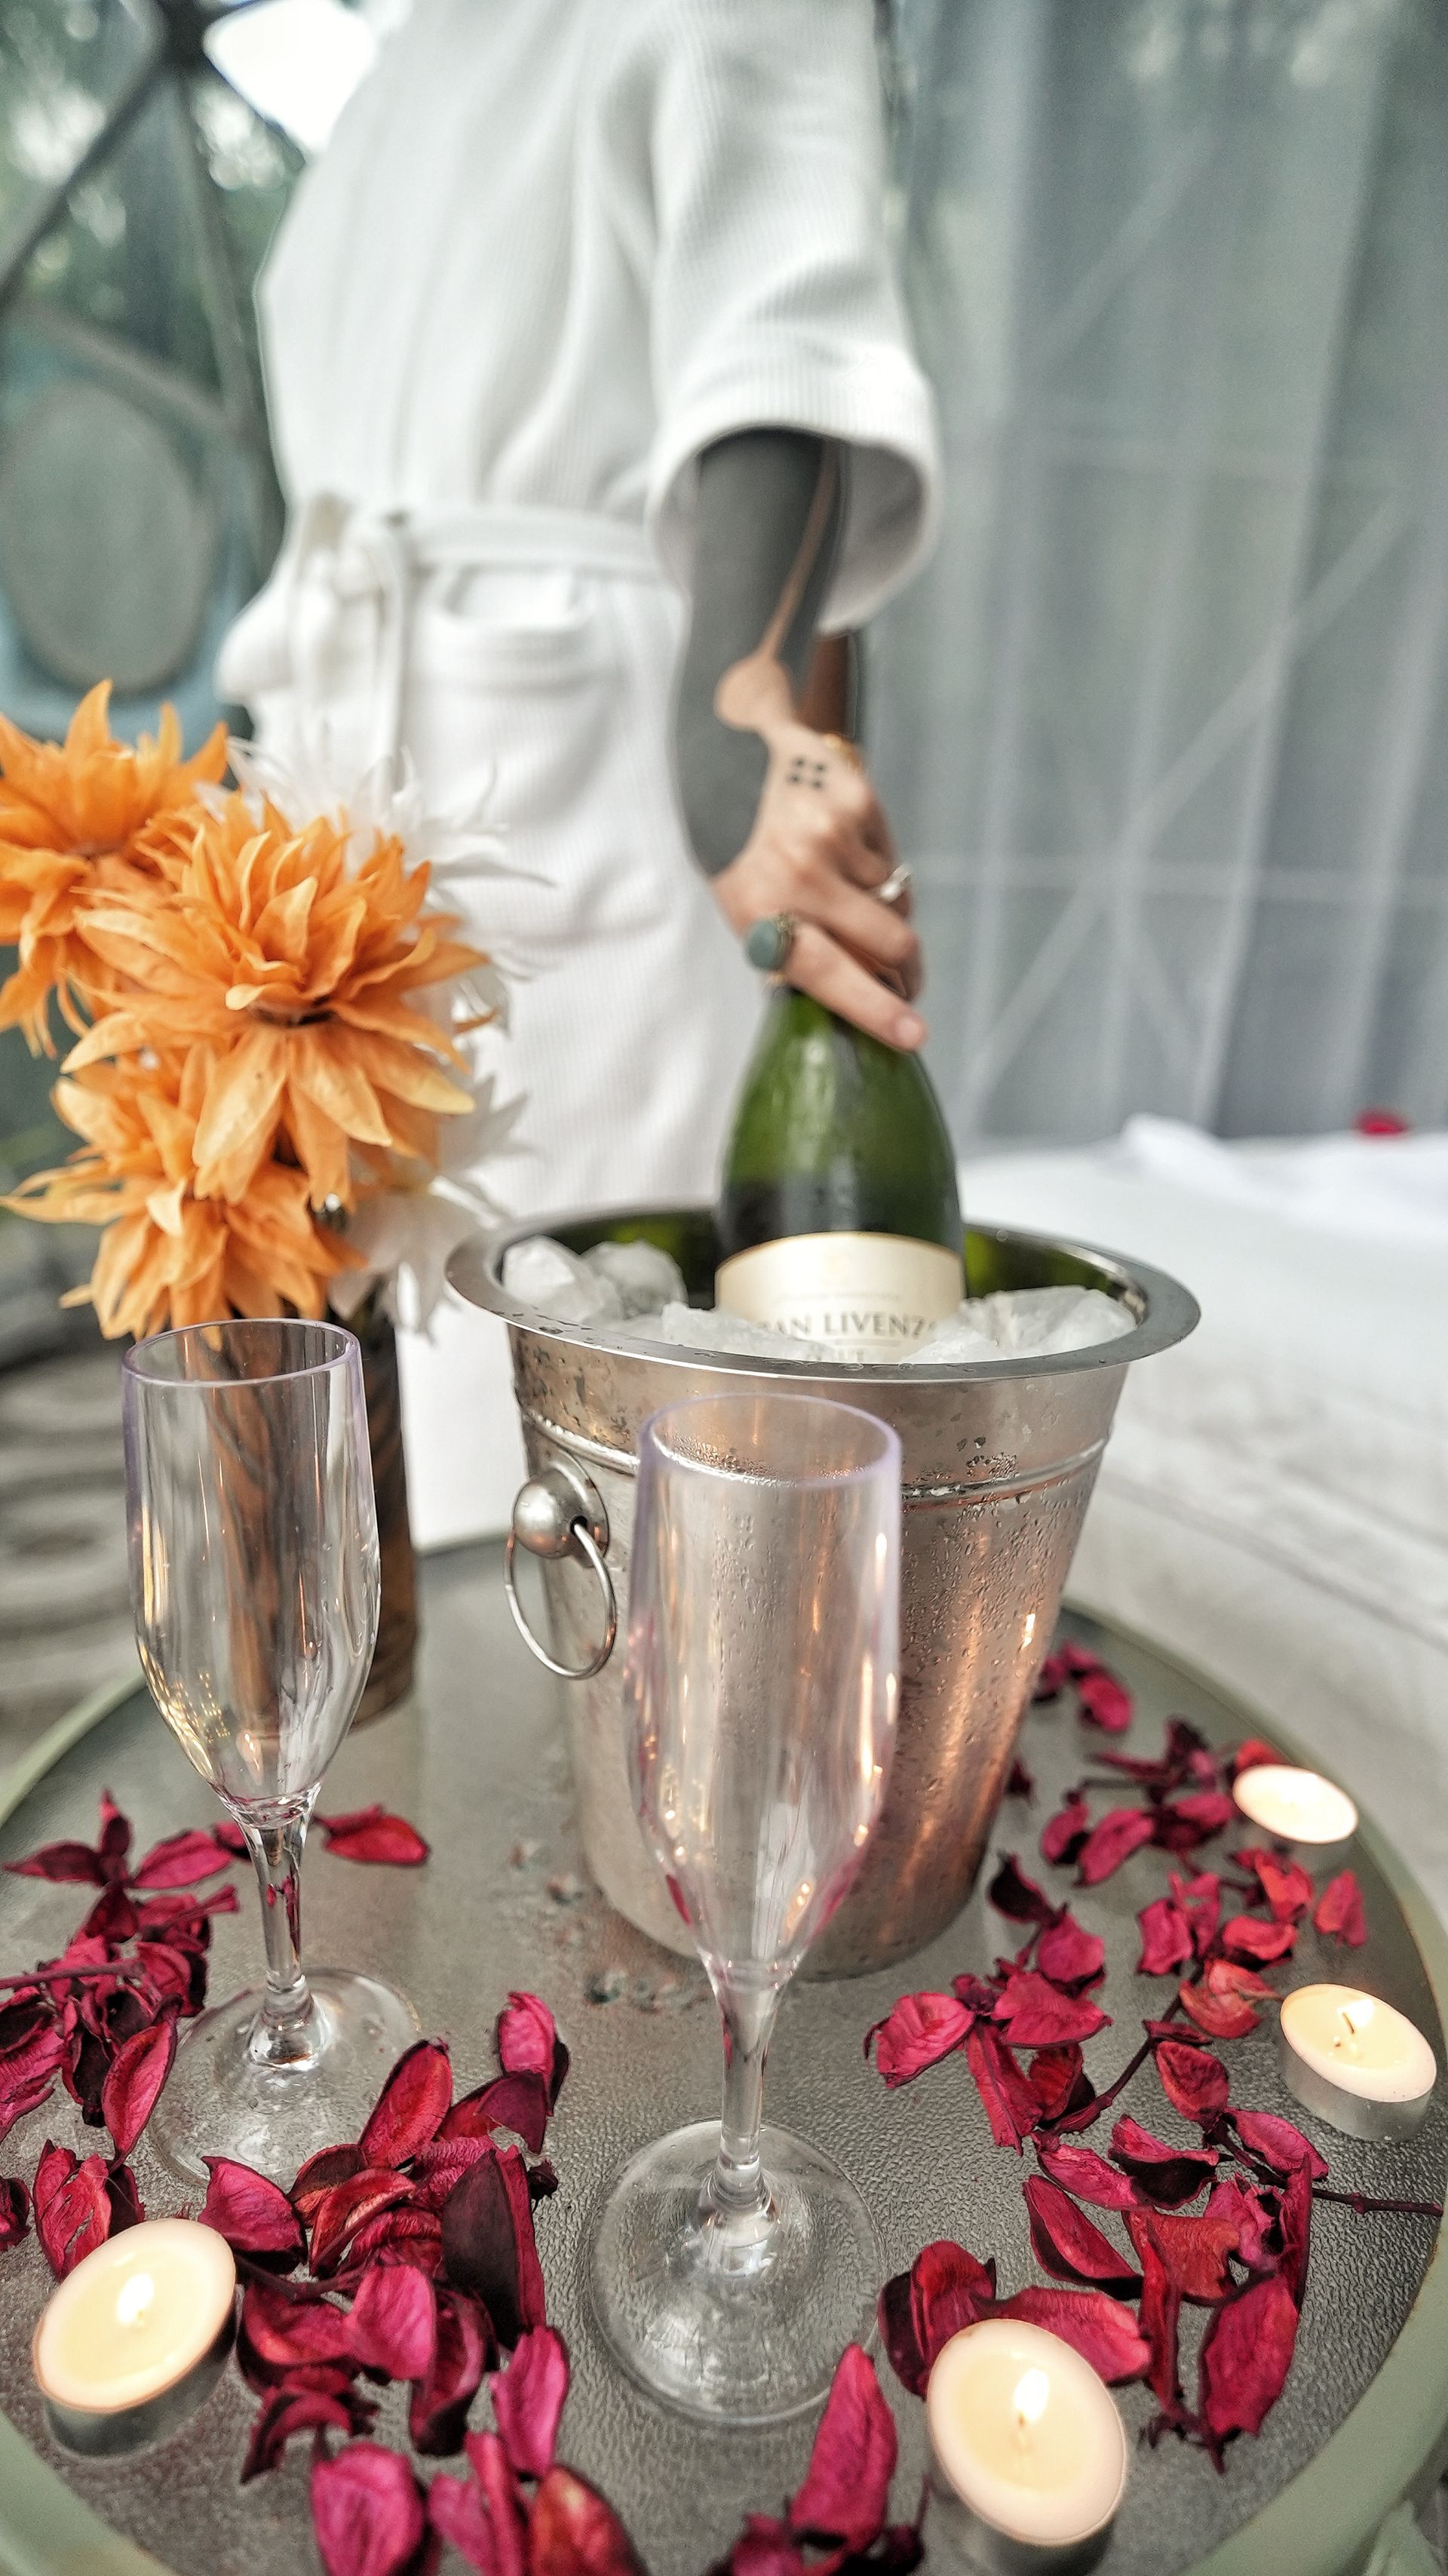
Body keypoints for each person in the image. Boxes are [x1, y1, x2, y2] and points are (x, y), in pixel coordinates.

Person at [218, 0, 940, 1541]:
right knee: (385, 1411)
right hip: (336, 801)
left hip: (573, 784)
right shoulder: (393, 81)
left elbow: (781, 333)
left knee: (609, 1401)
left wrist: (732, 704)